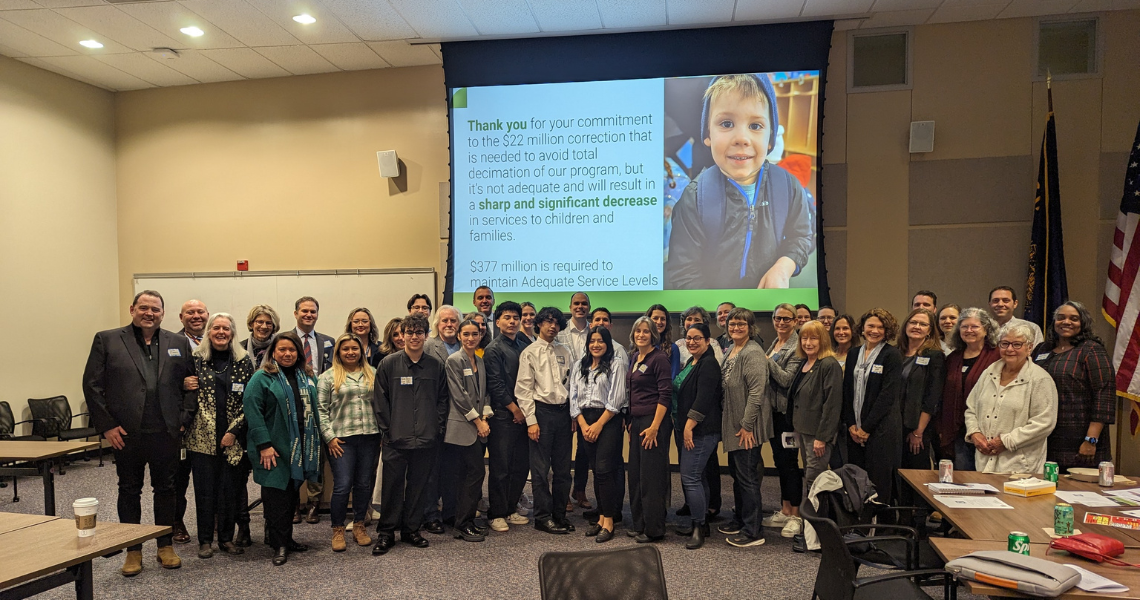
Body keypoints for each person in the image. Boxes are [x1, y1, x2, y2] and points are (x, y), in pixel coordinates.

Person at [664, 73, 814, 290]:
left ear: (771, 138)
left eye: (755, 126)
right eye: (726, 123)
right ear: (708, 134)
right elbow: (683, 274)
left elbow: (801, 236)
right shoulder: (694, 198)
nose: (741, 138)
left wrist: (785, 265)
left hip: (769, 312)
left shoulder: (788, 187)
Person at [82, 290, 195, 575]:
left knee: (166, 489)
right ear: (132, 309)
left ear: (163, 313)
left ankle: (164, 544)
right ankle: (133, 549)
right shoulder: (107, 339)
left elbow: (191, 384)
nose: (149, 313)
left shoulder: (178, 342)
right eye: (144, 308)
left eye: (155, 309)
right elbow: (92, 385)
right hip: (125, 433)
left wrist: (183, 419)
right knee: (129, 490)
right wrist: (106, 425)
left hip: (166, 432)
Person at [370, 314, 450, 555]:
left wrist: (436, 428)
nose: (414, 337)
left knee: (418, 487)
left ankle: (411, 530)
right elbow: (380, 401)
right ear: (401, 335)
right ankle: (386, 533)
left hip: (427, 439)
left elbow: (442, 400)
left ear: (426, 336)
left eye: (419, 332)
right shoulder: (388, 364)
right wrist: (388, 432)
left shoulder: (436, 366)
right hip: (396, 439)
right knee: (392, 488)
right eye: (410, 332)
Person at [242, 331, 320, 566]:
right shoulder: (262, 378)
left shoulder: (305, 376)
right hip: (272, 449)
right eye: (282, 350)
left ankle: (286, 538)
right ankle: (279, 545)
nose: (287, 354)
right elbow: (252, 412)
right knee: (276, 498)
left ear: (299, 353)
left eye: (292, 350)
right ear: (272, 352)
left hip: (297, 449)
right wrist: (264, 445)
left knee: (290, 497)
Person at [184, 313, 255, 559]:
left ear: (233, 333)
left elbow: (250, 401)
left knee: (229, 491)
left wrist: (233, 432)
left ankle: (226, 538)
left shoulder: (244, 361)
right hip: (201, 437)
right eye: (216, 328)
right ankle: (205, 540)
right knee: (204, 491)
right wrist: (183, 384)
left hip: (232, 438)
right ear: (209, 332)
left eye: (226, 328)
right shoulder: (196, 360)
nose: (221, 332)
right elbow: (181, 389)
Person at [964, 323, 1058, 473]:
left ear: (1029, 348)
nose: (1009, 349)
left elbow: (1044, 423)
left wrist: (1006, 441)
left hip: (1020, 467)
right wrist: (974, 433)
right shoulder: (988, 373)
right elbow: (971, 409)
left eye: (1017, 344)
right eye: (1005, 343)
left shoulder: (1040, 379)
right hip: (983, 462)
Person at [316, 333, 379, 553]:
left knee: (363, 484)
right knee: (342, 486)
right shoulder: (328, 377)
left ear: (361, 351)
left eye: (355, 348)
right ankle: (338, 529)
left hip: (370, 436)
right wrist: (329, 437)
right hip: (341, 440)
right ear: (338, 352)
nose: (350, 352)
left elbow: (381, 405)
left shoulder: (373, 373)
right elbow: (321, 411)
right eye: (346, 349)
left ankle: (360, 525)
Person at [1035, 301, 1116, 470]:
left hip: (1080, 438)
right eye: (1061, 318)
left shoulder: (1091, 350)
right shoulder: (1042, 349)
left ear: (1083, 323)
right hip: (1046, 437)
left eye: (1074, 319)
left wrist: (1091, 440)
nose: (1066, 322)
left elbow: (1104, 396)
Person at [516, 307, 574, 535]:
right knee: (540, 471)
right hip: (541, 414)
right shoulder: (529, 352)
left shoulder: (566, 351)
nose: (552, 326)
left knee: (562, 470)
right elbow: (523, 389)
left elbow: (572, 386)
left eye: (556, 323)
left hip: (563, 414)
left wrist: (572, 415)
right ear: (539, 324)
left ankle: (560, 515)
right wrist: (531, 420)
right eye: (548, 322)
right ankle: (542, 517)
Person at [569, 326, 628, 543]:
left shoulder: (616, 364)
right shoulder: (579, 365)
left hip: (608, 421)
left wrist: (598, 425)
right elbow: (573, 397)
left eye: (600, 341)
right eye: (592, 341)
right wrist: (584, 424)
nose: (596, 344)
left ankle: (610, 521)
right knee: (596, 470)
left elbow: (617, 399)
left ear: (608, 343)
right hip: (586, 420)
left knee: (606, 471)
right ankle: (601, 518)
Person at [718, 308, 769, 548]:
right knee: (738, 476)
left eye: (741, 324)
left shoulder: (753, 352)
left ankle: (753, 531)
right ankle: (740, 519)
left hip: (747, 428)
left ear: (750, 327)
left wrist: (748, 426)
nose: (736, 328)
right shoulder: (731, 350)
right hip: (734, 425)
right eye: (732, 324)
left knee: (747, 478)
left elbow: (757, 393)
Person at [842, 308, 903, 504]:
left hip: (880, 430)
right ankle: (859, 525)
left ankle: (881, 528)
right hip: (854, 429)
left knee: (879, 482)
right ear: (862, 328)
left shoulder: (891, 355)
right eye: (871, 326)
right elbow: (847, 391)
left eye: (880, 327)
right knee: (856, 479)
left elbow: (888, 395)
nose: (875, 330)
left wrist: (866, 428)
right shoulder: (853, 354)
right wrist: (851, 424)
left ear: (887, 331)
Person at [483, 301, 532, 532]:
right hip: (504, 416)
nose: (512, 321)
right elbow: (496, 385)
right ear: (498, 320)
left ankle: (511, 508)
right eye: (507, 317)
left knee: (520, 466)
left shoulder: (525, 343)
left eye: (515, 317)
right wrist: (515, 409)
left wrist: (526, 412)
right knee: (501, 467)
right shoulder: (493, 349)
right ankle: (497, 513)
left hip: (526, 415)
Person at [444, 319, 493, 542]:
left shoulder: (480, 361)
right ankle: (461, 524)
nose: (471, 338)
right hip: (461, 428)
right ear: (459, 336)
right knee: (470, 475)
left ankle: (467, 521)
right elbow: (460, 396)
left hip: (478, 426)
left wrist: (485, 416)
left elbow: (484, 393)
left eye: (475, 334)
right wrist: (477, 421)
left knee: (473, 475)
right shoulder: (454, 360)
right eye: (466, 334)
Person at [674, 322, 723, 550]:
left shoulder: (709, 364)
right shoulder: (692, 362)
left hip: (700, 430)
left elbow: (703, 399)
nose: (692, 342)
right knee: (698, 477)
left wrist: (688, 426)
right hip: (692, 428)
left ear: (707, 340)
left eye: (697, 338)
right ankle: (701, 523)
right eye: (689, 338)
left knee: (690, 477)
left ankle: (698, 527)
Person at [935, 307, 1001, 471]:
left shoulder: (997, 356)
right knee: (964, 481)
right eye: (964, 327)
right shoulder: (953, 358)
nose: (969, 330)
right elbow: (943, 395)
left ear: (986, 329)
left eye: (974, 326)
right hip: (958, 431)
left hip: (989, 431)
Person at [626, 317, 673, 543]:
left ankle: (654, 529)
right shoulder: (635, 357)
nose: (641, 335)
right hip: (637, 422)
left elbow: (665, 394)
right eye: (638, 331)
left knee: (651, 478)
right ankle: (639, 524)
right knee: (636, 476)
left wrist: (654, 427)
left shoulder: (659, 358)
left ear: (653, 334)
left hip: (653, 423)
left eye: (646, 331)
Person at [788, 320, 843, 507]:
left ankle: (816, 527)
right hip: (803, 431)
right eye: (804, 338)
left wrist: (822, 437)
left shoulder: (829, 364)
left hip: (818, 435)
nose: (808, 343)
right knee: (809, 477)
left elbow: (832, 405)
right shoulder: (805, 362)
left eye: (813, 338)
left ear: (823, 341)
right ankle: (811, 524)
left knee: (814, 480)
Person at [762, 303, 803, 535]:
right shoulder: (776, 342)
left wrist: (765, 359)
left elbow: (787, 379)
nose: (781, 323)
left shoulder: (797, 346)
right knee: (780, 462)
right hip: (774, 413)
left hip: (788, 416)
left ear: (795, 321)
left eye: (787, 319)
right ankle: (785, 509)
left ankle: (796, 514)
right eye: (778, 318)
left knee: (790, 464)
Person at [421, 304, 463, 534]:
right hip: (435, 416)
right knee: (432, 470)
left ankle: (450, 512)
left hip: (460, 419)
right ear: (437, 325)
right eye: (445, 321)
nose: (449, 325)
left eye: (453, 321)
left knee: (453, 469)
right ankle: (430, 514)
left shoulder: (466, 346)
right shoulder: (428, 346)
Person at [292, 296, 333, 524]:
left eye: (313, 312)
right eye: (304, 311)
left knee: (316, 457)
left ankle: (314, 504)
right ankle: (294, 504)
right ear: (296, 313)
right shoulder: (286, 340)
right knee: (295, 454)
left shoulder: (328, 341)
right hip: (295, 405)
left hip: (319, 405)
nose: (309, 315)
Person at [173, 298, 209, 545]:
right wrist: (180, 383)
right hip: (183, 422)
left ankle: (212, 520)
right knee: (179, 479)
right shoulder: (170, 342)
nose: (196, 316)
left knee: (210, 478)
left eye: (200, 312)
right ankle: (176, 522)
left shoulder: (218, 340)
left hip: (211, 422)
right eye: (190, 312)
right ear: (181, 317)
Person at [897, 308, 946, 470]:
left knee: (915, 476)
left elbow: (932, 397)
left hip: (917, 427)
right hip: (895, 426)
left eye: (923, 324)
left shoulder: (934, 356)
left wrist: (918, 432)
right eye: (913, 322)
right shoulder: (897, 353)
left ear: (930, 330)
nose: (917, 326)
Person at [557, 292, 591, 360]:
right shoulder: (559, 332)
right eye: (576, 303)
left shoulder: (594, 331)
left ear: (589, 308)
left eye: (584, 303)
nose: (580, 306)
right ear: (570, 307)